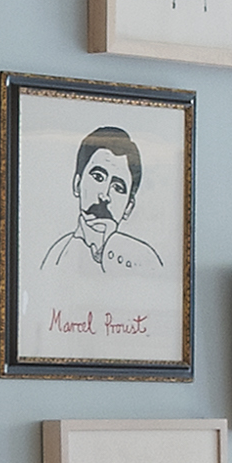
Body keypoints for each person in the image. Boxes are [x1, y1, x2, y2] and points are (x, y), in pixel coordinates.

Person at [32, 117, 174, 353]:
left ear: (128, 207)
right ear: (77, 184)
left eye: (118, 187)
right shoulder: (55, 258)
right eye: (98, 177)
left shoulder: (146, 260)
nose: (105, 196)